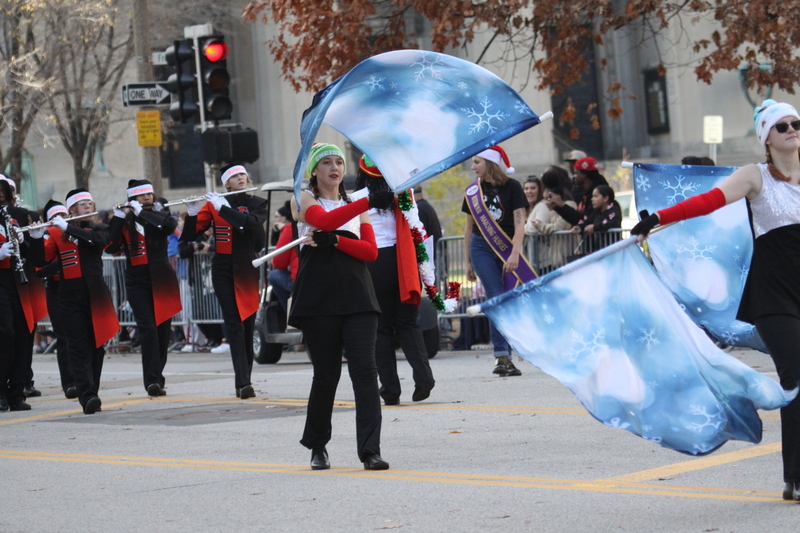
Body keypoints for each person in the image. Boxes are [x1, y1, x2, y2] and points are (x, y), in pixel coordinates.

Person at [631, 99, 800, 501]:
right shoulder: (755, 176)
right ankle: (795, 476)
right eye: (783, 126)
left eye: (797, 122)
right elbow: (707, 202)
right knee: (797, 377)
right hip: (774, 292)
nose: (793, 129)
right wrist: (657, 218)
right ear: (766, 137)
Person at [289, 142, 394, 471]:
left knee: (365, 371)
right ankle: (318, 445)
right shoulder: (303, 199)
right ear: (315, 172)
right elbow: (323, 219)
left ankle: (370, 450)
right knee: (326, 374)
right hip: (319, 295)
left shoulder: (356, 206)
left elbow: (370, 252)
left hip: (358, 294)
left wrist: (335, 240)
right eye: (327, 163)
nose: (335, 168)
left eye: (339, 162)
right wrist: (363, 201)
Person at [181, 165, 268, 399]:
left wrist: (224, 208)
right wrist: (191, 213)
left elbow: (249, 224)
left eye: (242, 175)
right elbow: (189, 236)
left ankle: (245, 379)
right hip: (222, 267)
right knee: (234, 323)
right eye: (234, 177)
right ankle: (243, 382)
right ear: (226, 184)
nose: (240, 179)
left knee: (248, 323)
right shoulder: (212, 205)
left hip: (247, 266)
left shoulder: (257, 203)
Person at [355, 155, 436, 406]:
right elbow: (417, 228)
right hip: (403, 261)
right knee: (407, 323)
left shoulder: (357, 198)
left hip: (374, 261)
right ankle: (424, 377)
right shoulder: (404, 194)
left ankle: (390, 389)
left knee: (381, 328)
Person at [44, 188, 119, 414]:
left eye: (90, 202)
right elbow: (41, 261)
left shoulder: (99, 228)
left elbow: (98, 242)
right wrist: (35, 239)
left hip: (96, 292)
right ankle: (87, 395)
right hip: (69, 294)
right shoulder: (57, 233)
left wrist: (69, 228)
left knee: (98, 346)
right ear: (72, 209)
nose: (88, 206)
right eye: (82, 203)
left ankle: (92, 389)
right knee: (78, 346)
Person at [462, 145, 534, 376]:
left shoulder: (512, 187)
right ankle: (502, 356)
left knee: (507, 299)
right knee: (495, 297)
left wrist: (514, 253)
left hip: (506, 247)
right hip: (481, 247)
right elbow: (469, 227)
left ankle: (509, 351)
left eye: (477, 162)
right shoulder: (473, 191)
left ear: (489, 163)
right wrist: (467, 262)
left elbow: (520, 222)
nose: (473, 167)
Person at [107, 180, 182, 397]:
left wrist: (143, 213)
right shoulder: (126, 219)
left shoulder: (159, 216)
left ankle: (157, 376)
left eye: (149, 194)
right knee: (147, 328)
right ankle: (151, 381)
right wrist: (118, 219)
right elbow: (111, 246)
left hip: (162, 278)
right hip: (136, 280)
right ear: (132, 198)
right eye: (141, 196)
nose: (147, 198)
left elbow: (169, 227)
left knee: (161, 331)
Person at [0, 179, 46, 411]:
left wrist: (34, 239)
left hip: (20, 282)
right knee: (5, 333)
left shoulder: (19, 214)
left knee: (23, 334)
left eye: (3, 190)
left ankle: (17, 392)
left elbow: (37, 259)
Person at [36, 200, 76, 398]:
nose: (60, 220)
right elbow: (39, 267)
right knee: (64, 336)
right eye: (55, 217)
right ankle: (69, 382)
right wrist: (61, 263)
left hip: (77, 286)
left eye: (64, 215)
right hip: (57, 288)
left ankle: (83, 378)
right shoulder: (48, 236)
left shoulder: (76, 232)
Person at [571, 184, 622, 252]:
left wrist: (595, 228)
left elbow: (613, 223)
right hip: (598, 250)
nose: (592, 199)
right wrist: (580, 227)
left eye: (596, 196)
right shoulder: (595, 211)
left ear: (606, 198)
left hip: (612, 249)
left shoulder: (614, 211)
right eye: (592, 196)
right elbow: (588, 221)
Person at [269, 201, 298, 313]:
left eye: (277, 217)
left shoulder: (291, 228)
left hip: (300, 279)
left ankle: (290, 313)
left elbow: (278, 262)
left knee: (274, 275)